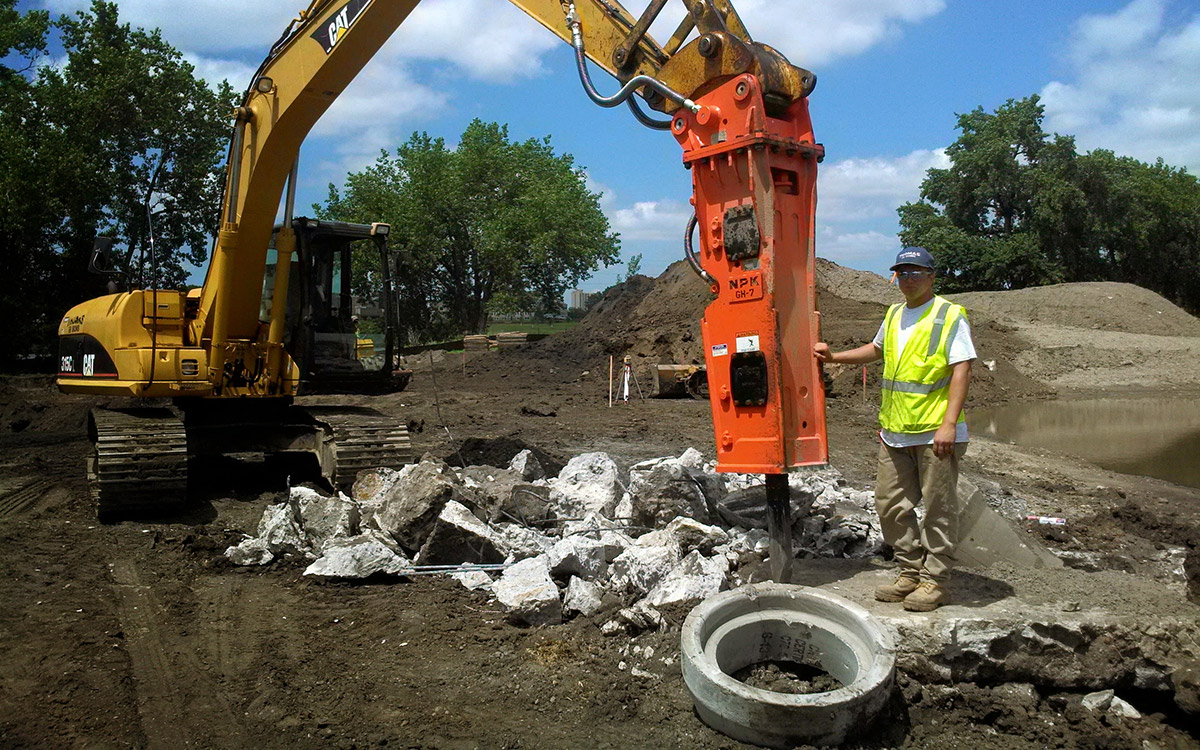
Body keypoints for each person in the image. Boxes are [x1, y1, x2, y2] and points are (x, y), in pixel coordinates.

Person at [813, 247, 975, 611]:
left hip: (935, 432)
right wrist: (835, 357)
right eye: (902, 273)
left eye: (915, 272)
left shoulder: (949, 316)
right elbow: (876, 350)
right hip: (895, 430)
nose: (908, 279)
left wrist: (950, 423)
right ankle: (910, 572)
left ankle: (935, 581)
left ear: (931, 276)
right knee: (889, 504)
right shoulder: (894, 313)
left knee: (937, 508)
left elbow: (962, 369)